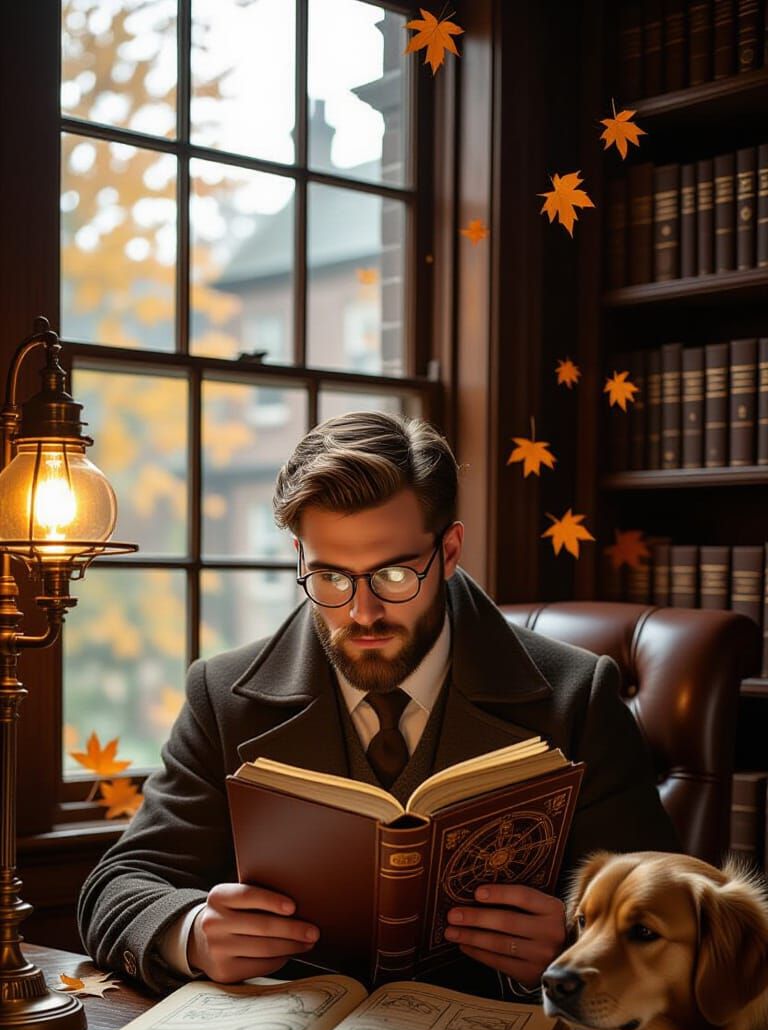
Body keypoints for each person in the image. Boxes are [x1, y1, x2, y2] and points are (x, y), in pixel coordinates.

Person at [79, 411, 679, 1000]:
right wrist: (191, 933)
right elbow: (118, 886)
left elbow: (669, 917)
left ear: (448, 551)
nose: (362, 613)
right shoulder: (222, 694)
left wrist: (576, 942)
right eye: (331, 578)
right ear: (298, 556)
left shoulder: (581, 695)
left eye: (393, 576)